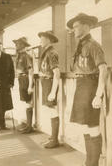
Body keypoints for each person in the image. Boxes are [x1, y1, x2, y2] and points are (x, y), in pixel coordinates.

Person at [67, 13, 107, 166]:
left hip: (91, 87)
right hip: (81, 86)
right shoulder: (81, 45)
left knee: (93, 126)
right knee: (84, 124)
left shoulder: (93, 45)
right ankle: (88, 162)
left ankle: (94, 163)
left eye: (76, 26)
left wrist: (99, 94)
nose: (74, 29)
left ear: (85, 26)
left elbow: (102, 69)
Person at [38, 31, 60, 149]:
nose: (40, 40)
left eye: (42, 38)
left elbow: (56, 73)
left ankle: (55, 140)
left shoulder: (51, 53)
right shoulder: (46, 52)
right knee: (50, 110)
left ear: (49, 40)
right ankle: (53, 137)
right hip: (46, 81)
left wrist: (53, 91)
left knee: (53, 110)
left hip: (50, 82)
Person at [13, 37, 34, 134]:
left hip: (26, 79)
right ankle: (27, 125)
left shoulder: (26, 56)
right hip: (21, 79)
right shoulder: (19, 56)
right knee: (25, 102)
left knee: (29, 102)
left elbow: (30, 71)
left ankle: (29, 126)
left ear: (23, 45)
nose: (16, 46)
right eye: (16, 44)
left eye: (18, 44)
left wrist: (30, 86)